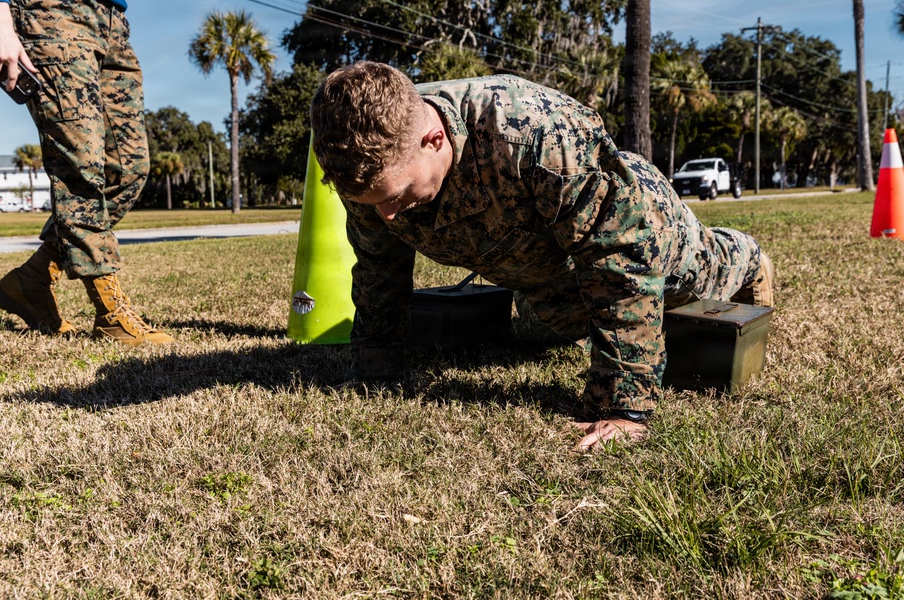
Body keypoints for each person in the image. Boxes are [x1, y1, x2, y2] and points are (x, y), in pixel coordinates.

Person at [310, 62, 774, 451]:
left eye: (397, 195)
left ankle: (746, 254)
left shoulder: (535, 133)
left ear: (434, 139)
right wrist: (375, 371)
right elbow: (378, 272)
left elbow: (618, 262)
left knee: (684, 280)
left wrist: (623, 407)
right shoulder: (363, 160)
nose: (388, 216)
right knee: (560, 321)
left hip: (634, 219)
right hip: (535, 255)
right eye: (375, 203)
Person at [0, 0, 177, 346]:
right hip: (45, 1)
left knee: (129, 168)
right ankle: (110, 312)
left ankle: (31, 281)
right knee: (80, 164)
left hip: (111, 16)